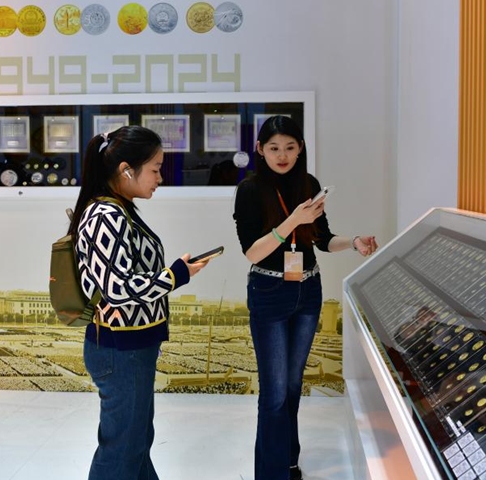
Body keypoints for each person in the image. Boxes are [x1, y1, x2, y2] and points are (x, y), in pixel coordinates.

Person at [233, 115, 378, 480]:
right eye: (274, 148)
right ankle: (270, 473)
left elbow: (322, 239)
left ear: (301, 149)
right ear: (260, 151)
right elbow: (252, 251)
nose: (282, 155)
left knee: (293, 386)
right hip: (268, 291)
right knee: (275, 391)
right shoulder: (250, 189)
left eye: (290, 147)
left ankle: (288, 462)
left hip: (308, 291)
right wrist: (291, 222)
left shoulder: (308, 184)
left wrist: (353, 241)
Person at [68, 126, 208, 480]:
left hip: (132, 345)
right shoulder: (107, 215)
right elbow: (118, 287)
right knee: (123, 448)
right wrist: (175, 275)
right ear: (127, 170)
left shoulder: (119, 210)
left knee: (136, 441)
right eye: (156, 168)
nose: (161, 177)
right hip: (120, 348)